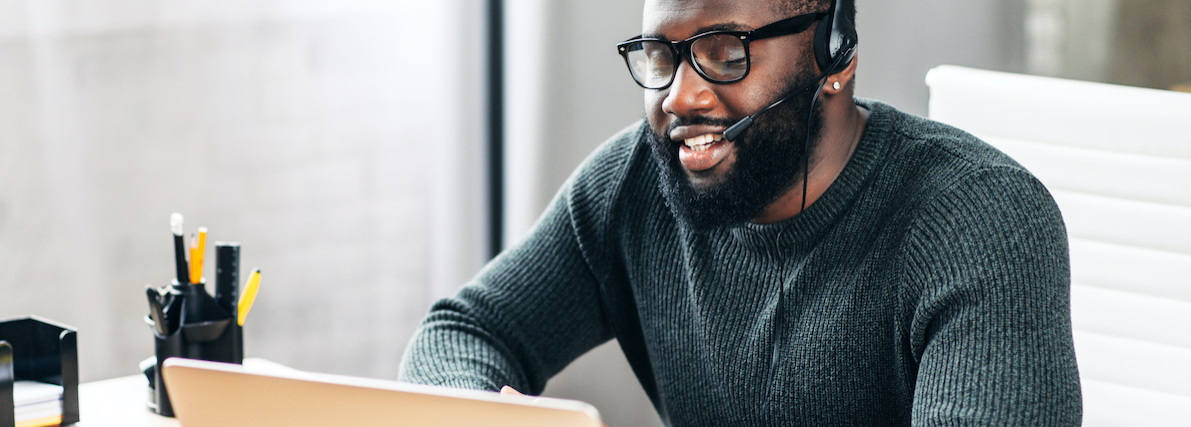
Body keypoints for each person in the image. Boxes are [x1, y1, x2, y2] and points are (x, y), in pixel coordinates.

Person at [399, 0, 1083, 425]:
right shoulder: (635, 182)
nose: (680, 97)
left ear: (834, 52)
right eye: (660, 56)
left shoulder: (981, 219)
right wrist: (477, 410)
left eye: (725, 55)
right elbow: (466, 328)